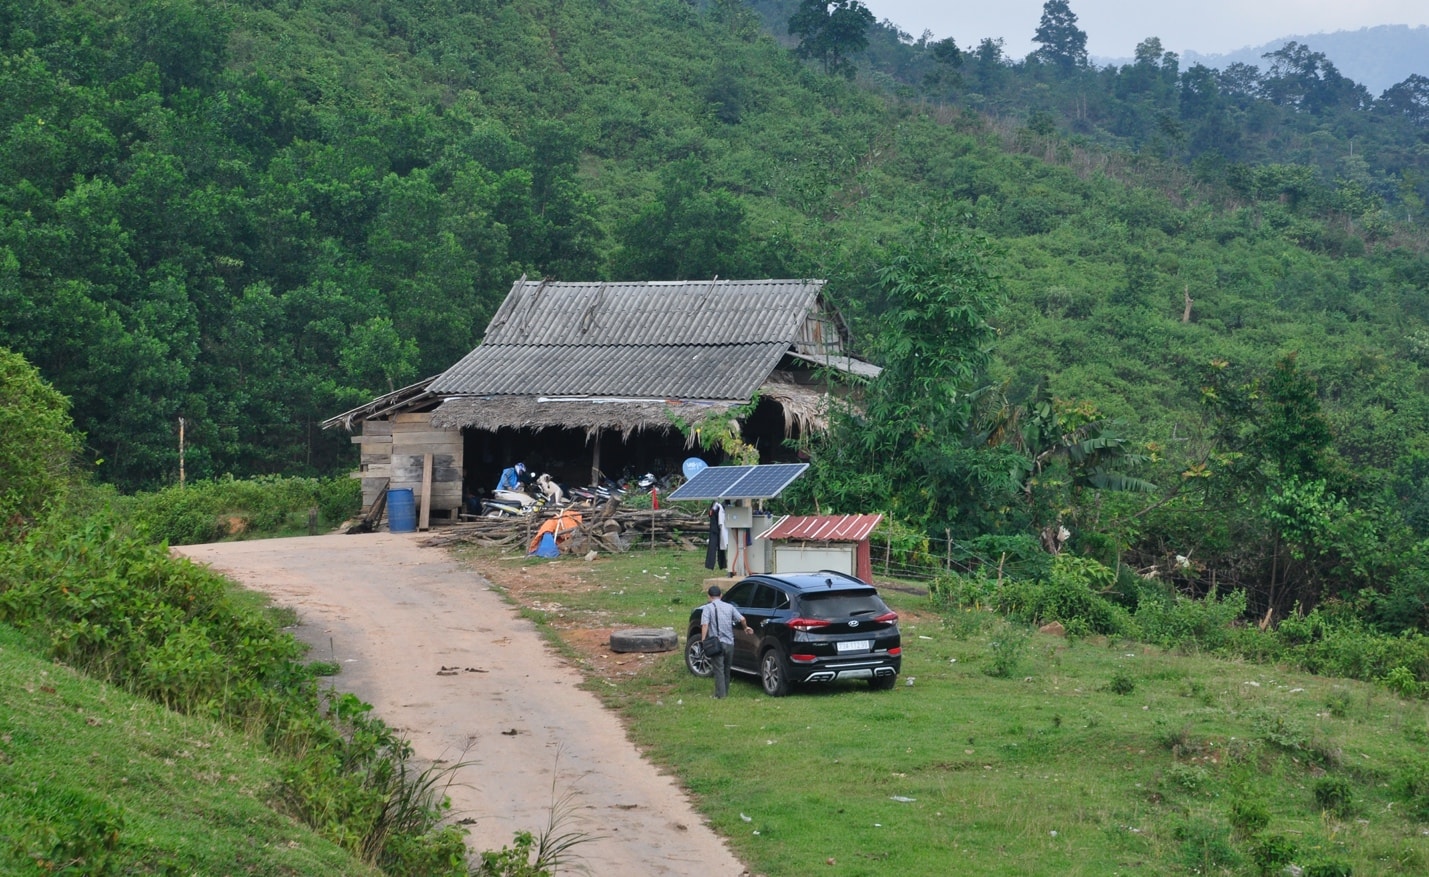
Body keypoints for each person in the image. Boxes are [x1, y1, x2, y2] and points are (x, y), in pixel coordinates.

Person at [701, 584, 752, 699]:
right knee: (727, 669)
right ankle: (725, 692)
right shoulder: (729, 607)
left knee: (718, 669)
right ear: (721, 595)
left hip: (716, 643)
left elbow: (705, 625)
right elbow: (742, 618)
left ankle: (720, 695)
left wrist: (703, 640)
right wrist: (745, 628)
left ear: (709, 596)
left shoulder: (708, 608)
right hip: (730, 643)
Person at [704, 500, 728, 572]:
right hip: (716, 528)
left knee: (721, 547)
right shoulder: (717, 507)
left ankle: (722, 564)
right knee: (714, 546)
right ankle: (711, 564)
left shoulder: (719, 507)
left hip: (719, 528)